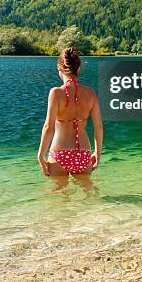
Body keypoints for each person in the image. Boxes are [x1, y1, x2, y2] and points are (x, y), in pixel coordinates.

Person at [38, 47, 103, 186]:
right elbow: (98, 127)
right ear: (78, 69)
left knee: (59, 200)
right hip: (83, 155)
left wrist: (41, 154)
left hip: (59, 154)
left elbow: (48, 127)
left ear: (59, 69)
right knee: (89, 195)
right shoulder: (91, 93)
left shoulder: (55, 93)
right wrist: (97, 153)